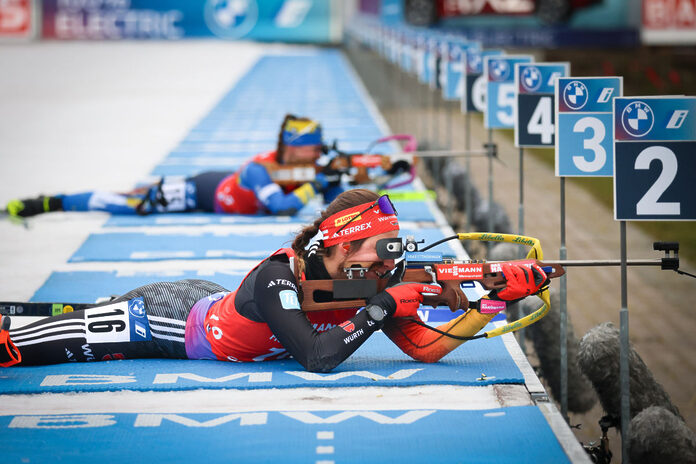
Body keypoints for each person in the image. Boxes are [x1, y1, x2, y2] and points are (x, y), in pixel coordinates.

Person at [0, 189, 548, 371]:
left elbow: (427, 349)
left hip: (202, 298)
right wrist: (386, 304)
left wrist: (493, 301)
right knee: (25, 342)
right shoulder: (276, 277)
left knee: (58, 317)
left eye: (390, 259)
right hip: (163, 319)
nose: (386, 270)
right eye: (376, 256)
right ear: (337, 244)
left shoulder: (374, 283)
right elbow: (316, 355)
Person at [3, 114, 344, 218]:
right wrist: (315, 184)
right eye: (313, 148)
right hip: (203, 192)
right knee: (130, 203)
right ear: (295, 149)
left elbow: (337, 207)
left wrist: (333, 181)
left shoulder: (308, 168)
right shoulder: (258, 169)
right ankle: (51, 202)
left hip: (217, 186)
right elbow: (281, 207)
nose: (317, 154)